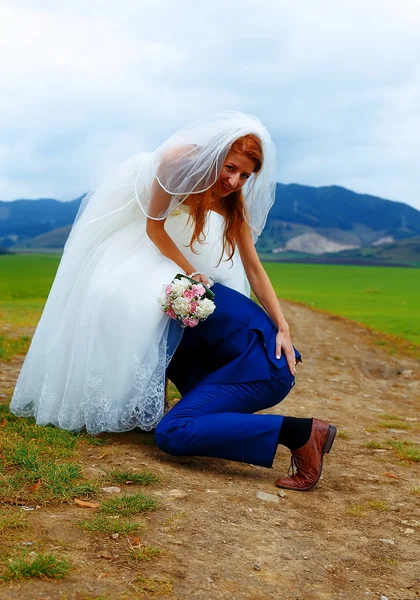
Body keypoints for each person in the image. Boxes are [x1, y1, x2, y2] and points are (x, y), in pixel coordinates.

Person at [10, 111, 296, 434]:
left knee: (194, 305)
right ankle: (133, 397)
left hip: (181, 238)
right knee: (130, 297)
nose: (234, 182)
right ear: (216, 154)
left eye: (245, 176)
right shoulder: (176, 164)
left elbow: (254, 269)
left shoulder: (232, 202)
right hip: (140, 231)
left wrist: (282, 325)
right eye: (230, 168)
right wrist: (190, 273)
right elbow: (154, 228)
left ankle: (176, 393)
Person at [157, 284, 337, 492]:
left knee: (171, 431)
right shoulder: (192, 284)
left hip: (263, 372)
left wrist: (283, 327)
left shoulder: (179, 295)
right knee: (190, 419)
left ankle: (299, 433)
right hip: (242, 367)